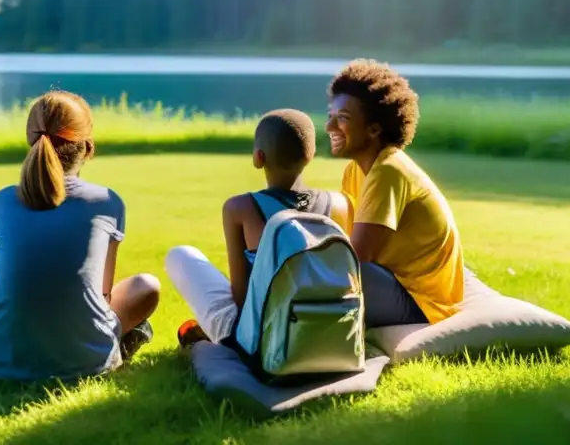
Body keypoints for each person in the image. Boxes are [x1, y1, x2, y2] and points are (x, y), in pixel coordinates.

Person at [0, 91, 161, 382]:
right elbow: (104, 294)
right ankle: (121, 342)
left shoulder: (0, 202)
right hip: (87, 360)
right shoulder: (107, 202)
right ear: (87, 148)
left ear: (30, 141)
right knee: (146, 286)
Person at [165, 109, 350, 346]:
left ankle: (211, 335)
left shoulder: (241, 208)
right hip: (328, 330)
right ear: (310, 154)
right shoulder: (339, 203)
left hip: (262, 339)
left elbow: (241, 295)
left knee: (180, 255)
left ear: (258, 157)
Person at [326, 58, 465, 326]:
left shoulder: (388, 171)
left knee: (338, 271)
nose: (330, 127)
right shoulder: (355, 171)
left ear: (374, 129)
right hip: (392, 286)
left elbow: (357, 260)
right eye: (331, 116)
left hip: (422, 306)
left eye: (342, 119)